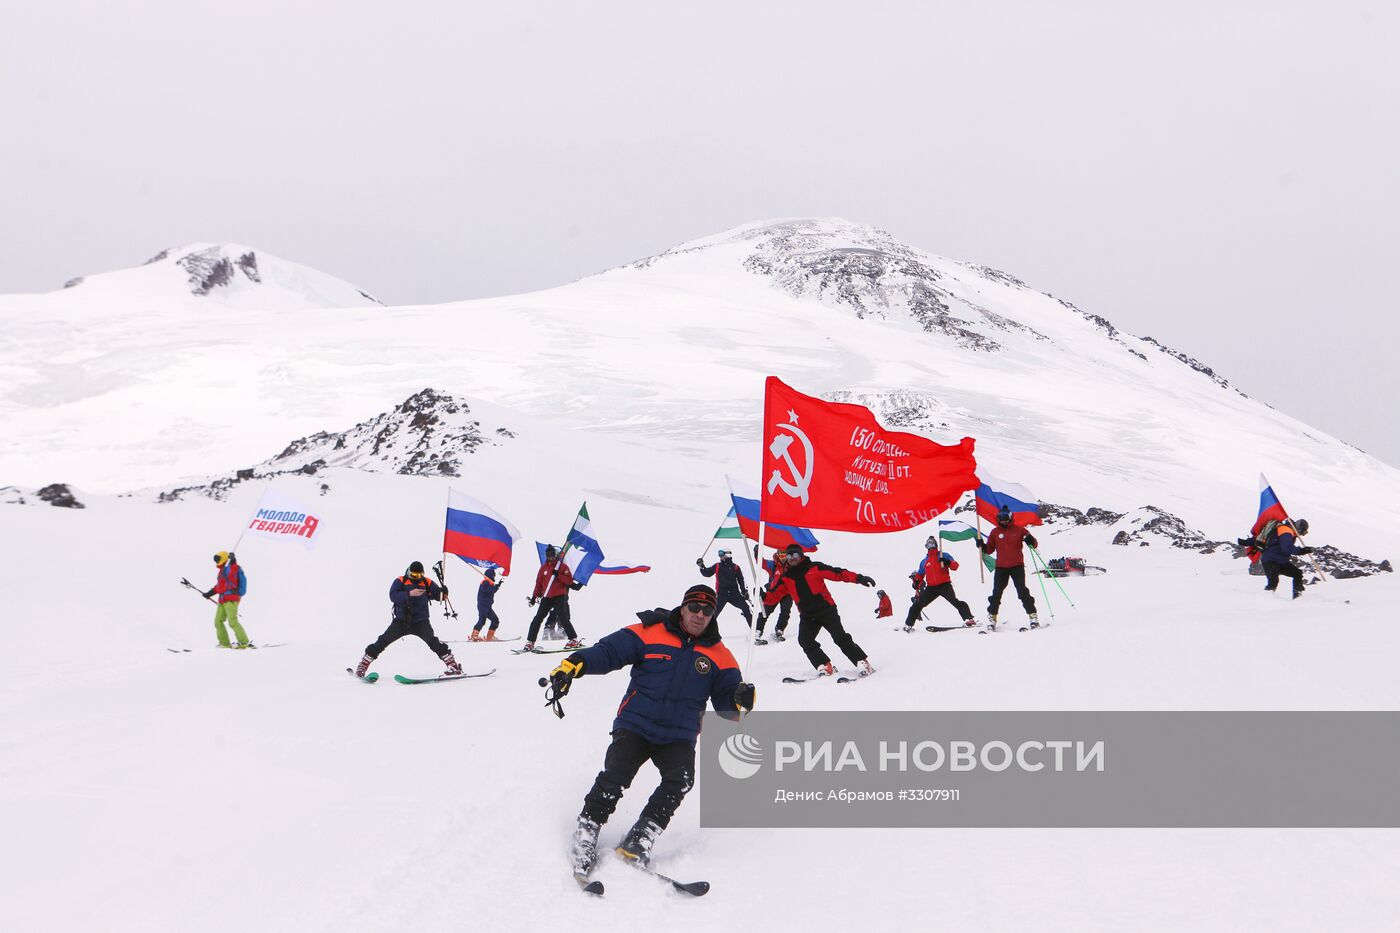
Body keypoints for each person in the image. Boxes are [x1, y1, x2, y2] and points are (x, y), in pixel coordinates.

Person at [550, 583, 755, 874]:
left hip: (678, 735)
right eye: (694, 608)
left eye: (707, 611)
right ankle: (587, 829)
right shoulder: (649, 631)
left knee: (681, 780)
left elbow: (729, 713)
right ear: (683, 608)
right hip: (636, 723)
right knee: (616, 775)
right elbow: (608, 652)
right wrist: (574, 664)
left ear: (713, 616)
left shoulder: (721, 657)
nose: (699, 615)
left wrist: (741, 702)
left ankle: (640, 837)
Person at [761, 542, 876, 676]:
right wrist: (762, 596)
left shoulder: (814, 567)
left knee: (840, 638)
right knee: (805, 640)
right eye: (789, 555)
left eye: (796, 554)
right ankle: (825, 666)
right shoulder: (786, 578)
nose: (792, 558)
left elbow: (837, 573)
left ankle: (862, 662)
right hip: (807, 615)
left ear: (802, 556)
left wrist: (858, 578)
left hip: (826, 610)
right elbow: (774, 596)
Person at [354, 561, 461, 677]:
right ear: (409, 572)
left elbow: (439, 596)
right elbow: (393, 596)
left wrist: (443, 593)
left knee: (433, 642)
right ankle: (363, 665)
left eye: (419, 575)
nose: (417, 578)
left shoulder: (426, 582)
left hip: (421, 621)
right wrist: (410, 593)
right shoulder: (400, 581)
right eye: (414, 575)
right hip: (402, 621)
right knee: (383, 640)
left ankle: (453, 666)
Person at [979, 507, 1039, 631]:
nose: (1003, 521)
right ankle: (992, 618)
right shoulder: (995, 532)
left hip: (1017, 565)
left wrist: (1030, 540)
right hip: (1001, 567)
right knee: (996, 593)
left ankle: (1033, 616)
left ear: (1010, 517)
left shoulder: (1019, 530)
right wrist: (982, 546)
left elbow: (1034, 544)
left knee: (1022, 591)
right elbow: (990, 549)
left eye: (1005, 518)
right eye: (1000, 518)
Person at [904, 536, 976, 631]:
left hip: (944, 585)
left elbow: (955, 566)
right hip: (931, 588)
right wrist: (916, 582)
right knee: (918, 604)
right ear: (926, 546)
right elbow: (920, 574)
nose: (930, 546)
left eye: (932, 544)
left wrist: (948, 562)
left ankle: (969, 619)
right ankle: (908, 625)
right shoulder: (924, 561)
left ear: (936, 545)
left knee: (954, 601)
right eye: (928, 544)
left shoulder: (943, 555)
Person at [526, 546, 584, 652]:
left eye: (553, 556)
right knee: (537, 619)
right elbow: (538, 584)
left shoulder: (562, 567)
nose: (551, 558)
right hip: (547, 597)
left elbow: (569, 581)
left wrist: (559, 575)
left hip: (559, 596)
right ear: (546, 556)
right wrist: (534, 597)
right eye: (549, 556)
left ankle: (573, 640)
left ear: (555, 555)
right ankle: (530, 642)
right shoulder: (543, 569)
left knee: (563, 618)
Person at [1240, 518, 1313, 599]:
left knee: (1297, 574)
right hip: (1271, 560)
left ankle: (1298, 598)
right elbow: (1287, 548)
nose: (1301, 535)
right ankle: (1263, 600)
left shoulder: (1288, 531)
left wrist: (1246, 542)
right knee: (1273, 581)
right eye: (1303, 532)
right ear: (1300, 528)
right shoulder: (1286, 530)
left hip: (1280, 561)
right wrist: (1302, 551)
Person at [204, 551, 251, 649]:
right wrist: (209, 593)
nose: (216, 561)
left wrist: (233, 560)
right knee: (218, 621)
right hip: (222, 600)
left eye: (218, 559)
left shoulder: (233, 568)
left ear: (224, 558)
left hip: (231, 599)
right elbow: (219, 587)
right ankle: (224, 643)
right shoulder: (222, 571)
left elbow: (233, 571)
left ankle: (244, 642)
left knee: (232, 621)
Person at [696, 549, 753, 626]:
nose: (720, 557)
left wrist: (744, 591)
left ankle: (754, 632)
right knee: (713, 613)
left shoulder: (735, 567)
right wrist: (702, 566)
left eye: (722, 554)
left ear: (728, 555)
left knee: (746, 609)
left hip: (734, 594)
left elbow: (741, 580)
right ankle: (704, 631)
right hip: (721, 595)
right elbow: (707, 573)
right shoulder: (717, 566)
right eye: (719, 555)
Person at [755, 547, 793, 643]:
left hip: (787, 593)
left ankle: (779, 630)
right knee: (765, 612)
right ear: (777, 555)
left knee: (785, 612)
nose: (782, 558)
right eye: (780, 555)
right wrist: (757, 552)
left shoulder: (792, 565)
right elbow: (762, 563)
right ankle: (757, 632)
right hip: (773, 593)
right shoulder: (773, 564)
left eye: (784, 555)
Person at [470, 567, 504, 641]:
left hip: (487, 606)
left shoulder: (489, 583)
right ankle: (474, 636)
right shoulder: (485, 582)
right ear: (490, 575)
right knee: (482, 620)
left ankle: (490, 637)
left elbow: (492, 591)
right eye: (494, 574)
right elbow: (487, 590)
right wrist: (495, 586)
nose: (494, 576)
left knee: (495, 620)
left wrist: (498, 585)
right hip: (483, 605)